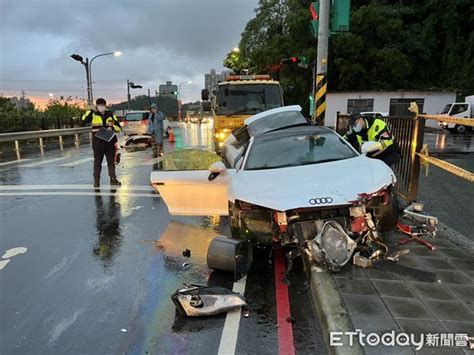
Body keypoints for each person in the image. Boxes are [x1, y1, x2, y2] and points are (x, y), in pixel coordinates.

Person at [82, 98, 122, 187]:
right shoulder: (93, 114)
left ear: (105, 105)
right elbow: (84, 120)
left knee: (111, 162)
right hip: (98, 142)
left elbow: (118, 127)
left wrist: (112, 128)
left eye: (102, 105)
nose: (101, 107)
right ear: (96, 106)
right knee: (97, 162)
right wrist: (92, 111)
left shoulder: (110, 114)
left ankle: (113, 179)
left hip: (109, 142)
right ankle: (96, 181)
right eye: (99, 105)